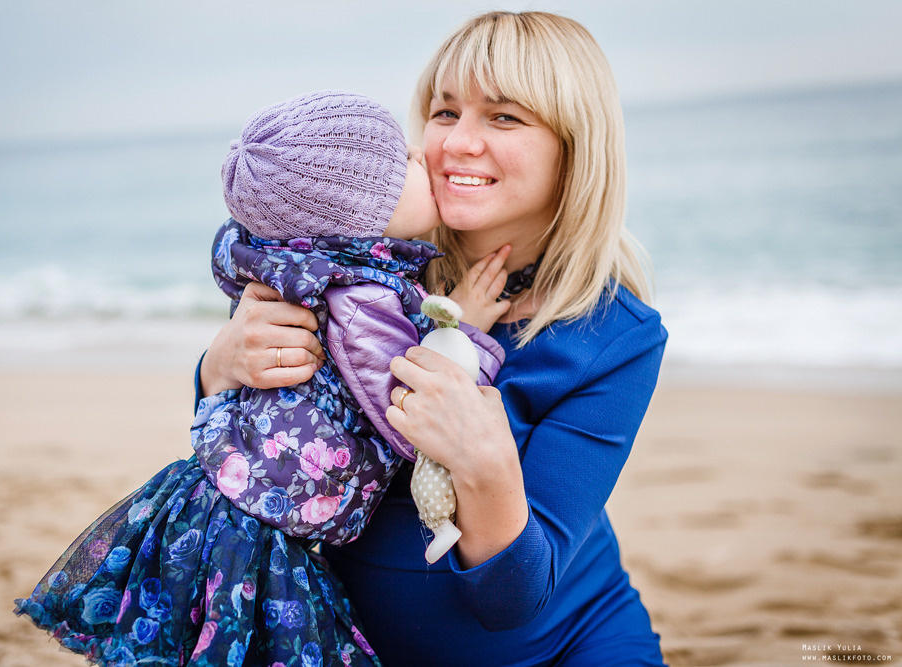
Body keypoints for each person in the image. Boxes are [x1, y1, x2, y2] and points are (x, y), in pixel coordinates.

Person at [197, 11, 669, 667]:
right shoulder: (357, 268)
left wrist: (489, 466)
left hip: (566, 645)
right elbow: (252, 450)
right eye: (445, 113)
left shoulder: (617, 335)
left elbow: (513, 598)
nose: (455, 144)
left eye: (503, 117)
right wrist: (217, 367)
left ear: (574, 147)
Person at [14, 90, 509, 667]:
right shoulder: (360, 303)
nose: (426, 157)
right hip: (262, 536)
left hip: (224, 499)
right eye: (404, 162)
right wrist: (463, 332)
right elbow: (410, 415)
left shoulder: (286, 261)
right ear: (360, 217)